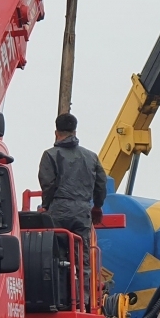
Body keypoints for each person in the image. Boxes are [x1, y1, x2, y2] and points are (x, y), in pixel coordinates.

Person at [38, 113, 107, 305]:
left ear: (56, 132)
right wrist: (97, 206)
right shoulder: (91, 157)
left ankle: (60, 300)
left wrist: (45, 206)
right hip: (82, 210)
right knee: (82, 257)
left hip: (59, 209)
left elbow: (48, 184)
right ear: (75, 131)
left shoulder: (50, 155)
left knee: (56, 256)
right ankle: (83, 302)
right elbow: (101, 184)